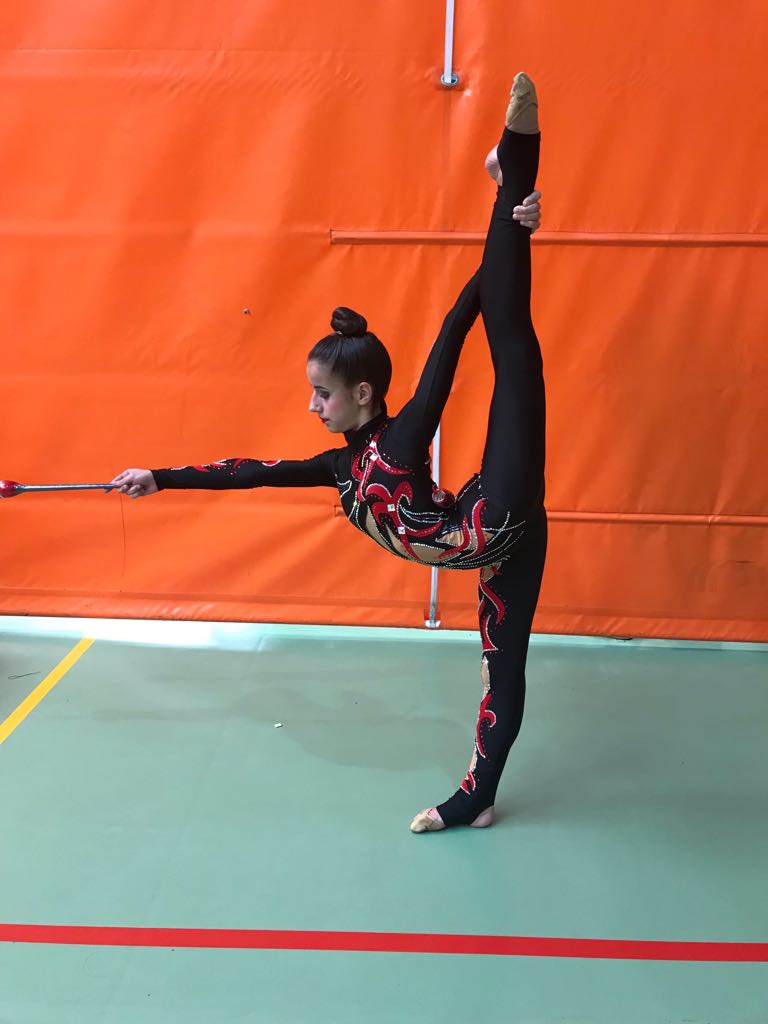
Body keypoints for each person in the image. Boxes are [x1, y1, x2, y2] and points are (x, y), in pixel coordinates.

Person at [112, 73, 546, 834]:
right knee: (499, 669)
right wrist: (160, 477)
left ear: (364, 395)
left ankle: (514, 171)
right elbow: (250, 473)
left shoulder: (403, 439)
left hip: (500, 509)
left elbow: (454, 331)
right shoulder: (341, 469)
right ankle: (480, 797)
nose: (312, 406)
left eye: (322, 394)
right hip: (494, 545)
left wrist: (511, 227)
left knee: (512, 344)